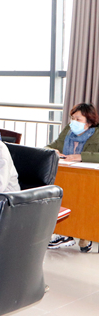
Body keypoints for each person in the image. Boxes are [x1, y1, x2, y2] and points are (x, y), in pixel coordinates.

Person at [46, 103, 99, 253]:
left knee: (84, 199)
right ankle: (66, 234)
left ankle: (84, 234)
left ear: (89, 122)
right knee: (65, 194)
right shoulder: (67, 131)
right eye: (72, 118)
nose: (73, 122)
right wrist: (53, 151)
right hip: (70, 175)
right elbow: (49, 146)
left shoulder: (97, 134)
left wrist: (81, 156)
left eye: (78, 119)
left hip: (90, 178)